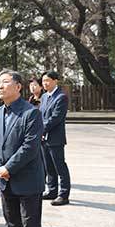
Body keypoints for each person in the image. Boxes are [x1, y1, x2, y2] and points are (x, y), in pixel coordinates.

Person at [0, 69, 45, 227]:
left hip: (28, 180)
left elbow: (30, 146)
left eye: (5, 82)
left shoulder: (31, 113)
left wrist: (8, 168)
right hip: (5, 180)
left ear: (18, 86)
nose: (0, 86)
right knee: (11, 225)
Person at [40, 70, 71, 206]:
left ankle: (63, 195)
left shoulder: (61, 97)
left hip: (55, 138)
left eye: (47, 80)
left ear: (55, 81)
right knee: (49, 167)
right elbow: (41, 115)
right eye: (43, 81)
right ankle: (52, 191)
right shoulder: (44, 97)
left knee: (60, 167)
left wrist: (40, 129)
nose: (45, 83)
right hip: (44, 138)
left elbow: (55, 118)